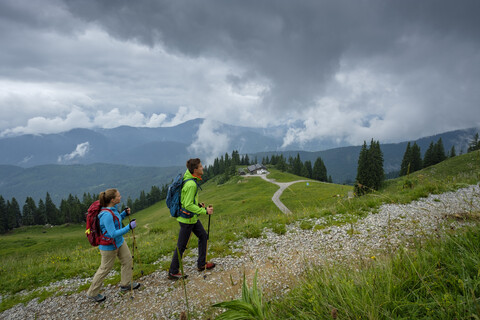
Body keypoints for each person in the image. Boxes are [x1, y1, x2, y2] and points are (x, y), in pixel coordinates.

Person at [87, 188, 141, 302]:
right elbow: (112, 233)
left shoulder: (113, 209)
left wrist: (123, 214)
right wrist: (129, 227)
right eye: (118, 196)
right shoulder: (106, 215)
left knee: (127, 260)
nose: (120, 197)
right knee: (105, 269)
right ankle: (92, 293)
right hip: (108, 246)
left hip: (119, 242)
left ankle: (125, 284)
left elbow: (116, 221)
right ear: (112, 199)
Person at [168, 158, 215, 280]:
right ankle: (173, 272)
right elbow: (188, 205)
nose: (202, 168)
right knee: (181, 246)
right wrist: (204, 211)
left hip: (191, 218)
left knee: (203, 236)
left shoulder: (189, 178)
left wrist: (198, 206)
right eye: (200, 167)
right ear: (195, 170)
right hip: (187, 220)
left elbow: (186, 201)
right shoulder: (191, 184)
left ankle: (201, 264)